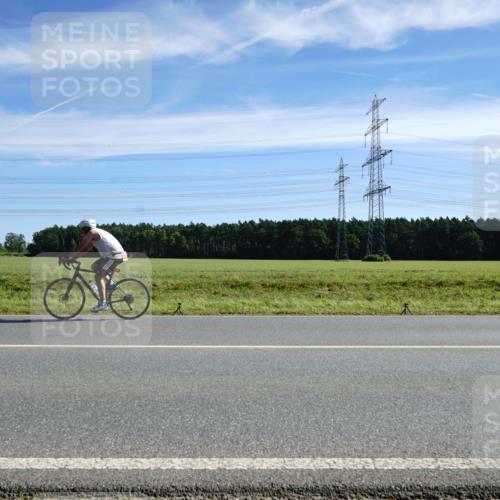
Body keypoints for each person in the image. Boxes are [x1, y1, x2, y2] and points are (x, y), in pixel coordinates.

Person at [59, 219, 128, 313]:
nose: (82, 232)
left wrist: (67, 257)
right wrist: (73, 258)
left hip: (114, 256)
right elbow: (84, 249)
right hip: (113, 256)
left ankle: (103, 303)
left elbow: (80, 247)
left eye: (82, 229)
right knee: (94, 266)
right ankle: (111, 284)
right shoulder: (94, 233)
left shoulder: (92, 233)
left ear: (85, 228)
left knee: (99, 276)